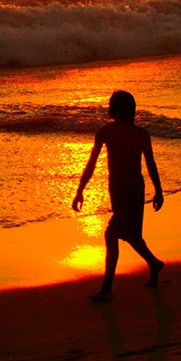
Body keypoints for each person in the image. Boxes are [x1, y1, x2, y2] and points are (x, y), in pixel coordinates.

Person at [71, 90, 165, 301]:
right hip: (122, 189)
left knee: (113, 234)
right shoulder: (113, 132)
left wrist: (159, 191)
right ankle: (154, 264)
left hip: (130, 189)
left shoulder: (126, 133)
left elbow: (150, 163)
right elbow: (92, 163)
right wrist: (80, 190)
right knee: (131, 235)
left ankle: (107, 288)